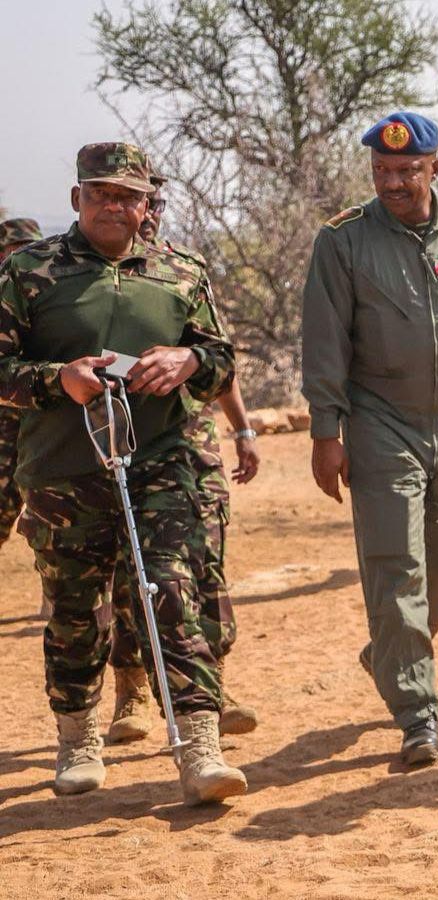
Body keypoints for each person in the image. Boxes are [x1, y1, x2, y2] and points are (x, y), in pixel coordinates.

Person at [0, 142, 246, 805]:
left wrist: (188, 364)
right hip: (65, 463)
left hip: (169, 454)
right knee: (77, 607)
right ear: (76, 198)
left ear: (146, 204)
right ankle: (77, 737)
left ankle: (198, 745)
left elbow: (221, 357)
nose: (115, 205)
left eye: (128, 195)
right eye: (101, 193)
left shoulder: (182, 271)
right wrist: (61, 379)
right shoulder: (29, 271)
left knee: (175, 586)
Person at [302, 112, 438, 767]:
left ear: (436, 167)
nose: (393, 182)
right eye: (381, 172)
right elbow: (324, 341)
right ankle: (417, 712)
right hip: (378, 418)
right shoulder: (342, 241)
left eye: (406, 170)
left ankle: (391, 650)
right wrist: (326, 430)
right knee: (397, 564)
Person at [106, 174, 263, 743]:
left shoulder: (182, 269)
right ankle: (132, 690)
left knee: (205, 565)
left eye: (151, 201)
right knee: (133, 576)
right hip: (122, 445)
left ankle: (213, 683)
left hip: (194, 447)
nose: (142, 212)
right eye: (125, 198)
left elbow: (216, 357)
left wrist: (242, 428)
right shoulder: (99, 275)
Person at [0, 217, 44, 547]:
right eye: (14, 249)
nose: (22, 255)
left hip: (41, 427)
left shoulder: (44, 297)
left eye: (30, 248)